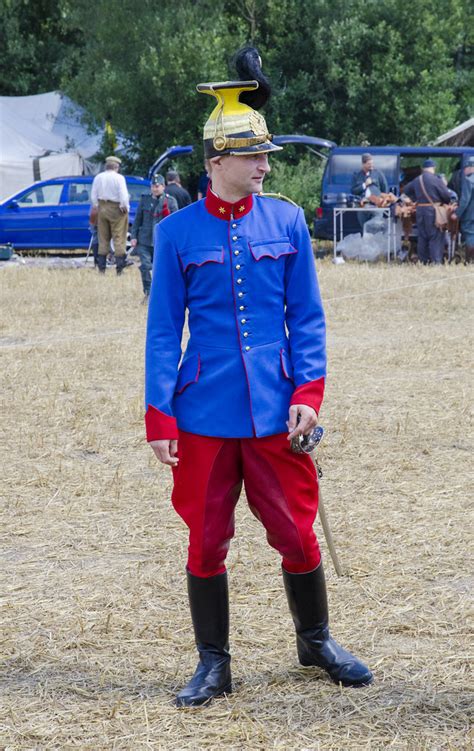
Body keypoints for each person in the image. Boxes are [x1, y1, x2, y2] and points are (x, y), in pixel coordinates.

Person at [145, 46, 373, 708]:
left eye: (265, 155)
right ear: (217, 163)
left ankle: (316, 640)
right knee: (206, 535)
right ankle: (213, 662)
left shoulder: (289, 221)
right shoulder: (177, 232)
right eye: (253, 156)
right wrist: (159, 414)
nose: (265, 165)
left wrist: (308, 395)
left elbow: (307, 317)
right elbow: (164, 330)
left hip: (278, 411)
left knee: (297, 531)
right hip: (204, 413)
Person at [131, 174, 178, 302]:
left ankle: (163, 294)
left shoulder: (170, 201)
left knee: (162, 268)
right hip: (145, 239)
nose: (155, 189)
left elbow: (175, 222)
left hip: (162, 241)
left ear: (163, 187)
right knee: (146, 267)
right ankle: (148, 293)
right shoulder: (145, 200)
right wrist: (133, 236)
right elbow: (137, 220)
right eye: (153, 186)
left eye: (158, 186)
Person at [402, 159, 453, 264]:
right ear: (433, 168)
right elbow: (447, 196)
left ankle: (423, 261)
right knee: (435, 236)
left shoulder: (417, 180)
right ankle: (436, 262)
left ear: (423, 169)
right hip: (433, 210)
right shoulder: (436, 180)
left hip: (420, 210)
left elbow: (406, 189)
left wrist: (416, 199)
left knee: (422, 236)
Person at [90, 156, 130, 274]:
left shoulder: (98, 177)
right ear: (116, 167)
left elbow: (93, 195)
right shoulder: (119, 178)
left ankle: (101, 269)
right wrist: (125, 207)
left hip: (102, 208)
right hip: (116, 208)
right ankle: (119, 269)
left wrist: (97, 205)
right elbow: (123, 194)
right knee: (119, 237)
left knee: (103, 238)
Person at [351, 153, 389, 231]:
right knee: (364, 227)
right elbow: (353, 190)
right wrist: (365, 184)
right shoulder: (357, 175)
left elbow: (385, 189)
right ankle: (366, 242)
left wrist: (382, 201)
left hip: (376, 206)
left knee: (376, 226)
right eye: (369, 164)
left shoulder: (378, 173)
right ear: (363, 164)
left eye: (372, 163)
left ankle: (375, 242)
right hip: (362, 206)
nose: (371, 165)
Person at [452, 156, 474, 263]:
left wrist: (457, 213)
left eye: (465, 168)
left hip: (470, 215)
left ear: (470, 167)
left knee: (470, 235)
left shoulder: (469, 180)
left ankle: (470, 260)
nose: (464, 171)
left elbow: (465, 200)